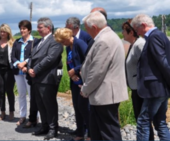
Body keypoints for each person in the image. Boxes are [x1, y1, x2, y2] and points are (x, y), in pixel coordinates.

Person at [80, 11, 128, 140]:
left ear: (94, 27)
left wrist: (85, 89)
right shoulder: (108, 37)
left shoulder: (104, 41)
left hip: (105, 95)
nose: (86, 31)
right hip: (103, 94)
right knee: (97, 130)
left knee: (108, 133)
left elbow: (97, 72)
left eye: (87, 28)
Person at [131, 14, 170, 140]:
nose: (137, 33)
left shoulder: (154, 37)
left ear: (143, 25)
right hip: (161, 87)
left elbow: (163, 62)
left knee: (143, 121)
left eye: (137, 30)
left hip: (155, 88)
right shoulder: (159, 35)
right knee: (160, 121)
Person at [28, 17, 63, 140]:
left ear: (49, 28)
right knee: (40, 104)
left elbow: (50, 58)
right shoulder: (38, 42)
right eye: (37, 27)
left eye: (40, 27)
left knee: (49, 104)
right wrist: (29, 68)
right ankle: (44, 126)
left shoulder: (55, 41)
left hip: (47, 78)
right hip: (36, 78)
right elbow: (31, 57)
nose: (38, 30)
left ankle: (53, 129)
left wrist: (35, 69)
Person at [54, 28, 90, 141]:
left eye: (63, 41)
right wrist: (72, 74)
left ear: (68, 37)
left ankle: (90, 133)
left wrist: (75, 69)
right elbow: (69, 63)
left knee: (85, 107)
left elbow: (88, 60)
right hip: (74, 80)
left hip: (84, 80)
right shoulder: (68, 47)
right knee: (77, 106)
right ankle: (80, 133)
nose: (62, 44)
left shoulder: (79, 44)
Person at [122, 19, 154, 140]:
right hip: (136, 87)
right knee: (141, 119)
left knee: (143, 120)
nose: (122, 33)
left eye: (124, 31)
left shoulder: (139, 44)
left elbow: (148, 65)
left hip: (141, 88)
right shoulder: (133, 45)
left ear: (131, 32)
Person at [11, 20, 39, 127]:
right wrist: (18, 64)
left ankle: (34, 117)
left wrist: (25, 64)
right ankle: (22, 115)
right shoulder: (17, 42)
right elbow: (12, 56)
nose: (22, 30)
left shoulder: (35, 42)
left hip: (29, 72)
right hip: (18, 72)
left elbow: (34, 55)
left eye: (24, 29)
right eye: (21, 29)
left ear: (29, 30)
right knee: (21, 94)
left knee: (32, 95)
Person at [0, 24, 15, 121]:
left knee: (9, 91)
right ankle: (2, 112)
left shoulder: (12, 43)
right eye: (1, 31)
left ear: (8, 32)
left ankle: (11, 111)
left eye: (4, 31)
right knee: (1, 91)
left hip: (9, 70)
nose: (2, 33)